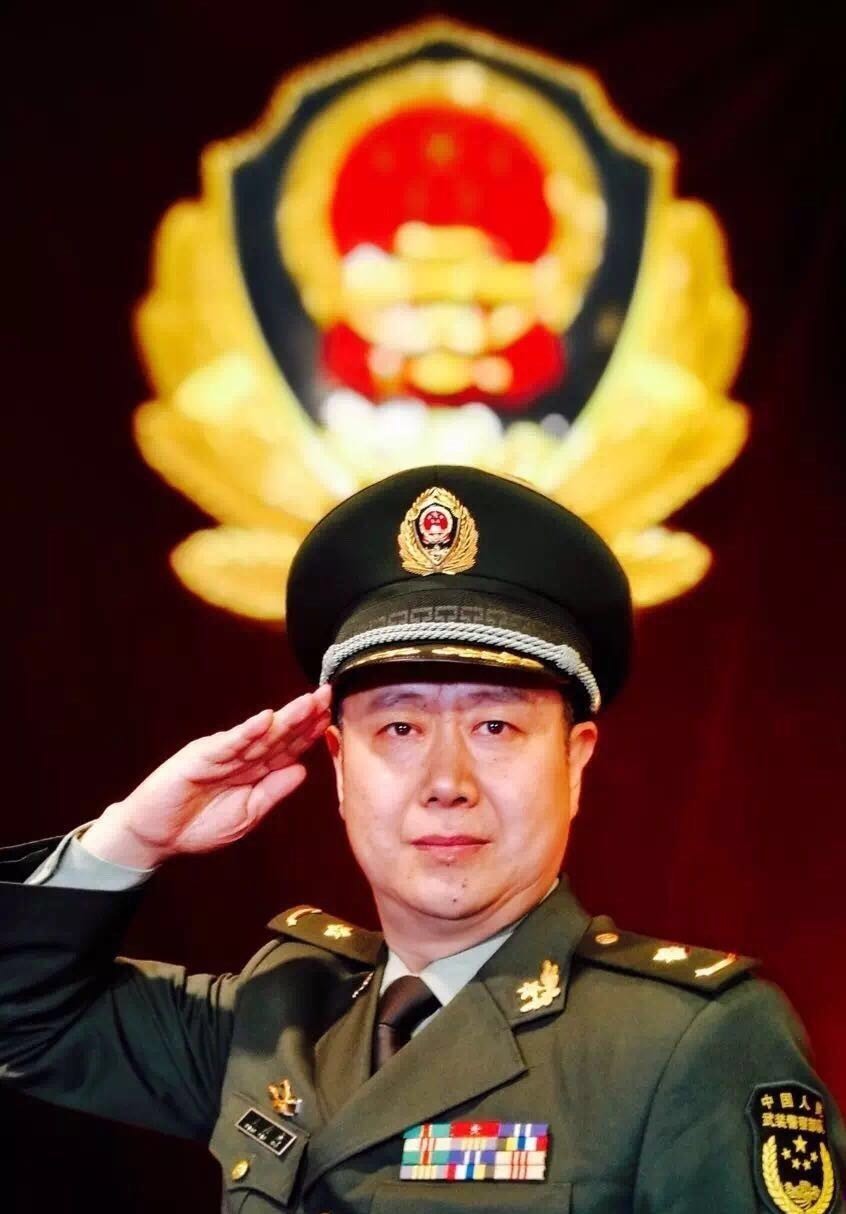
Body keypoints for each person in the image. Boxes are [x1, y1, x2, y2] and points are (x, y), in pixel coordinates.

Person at [1, 465, 843, 1214]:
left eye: (495, 727)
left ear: (575, 761)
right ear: (338, 766)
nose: (447, 780)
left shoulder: (692, 1042)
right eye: (399, 729)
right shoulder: (281, 1015)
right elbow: (23, 1022)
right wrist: (129, 837)